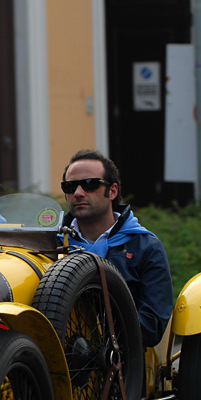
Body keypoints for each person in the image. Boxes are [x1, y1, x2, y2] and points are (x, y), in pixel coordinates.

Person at [60, 149, 173, 347]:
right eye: (70, 187)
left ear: (112, 191)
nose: (78, 193)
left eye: (90, 184)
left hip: (122, 361)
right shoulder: (51, 243)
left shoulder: (145, 246)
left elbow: (152, 327)